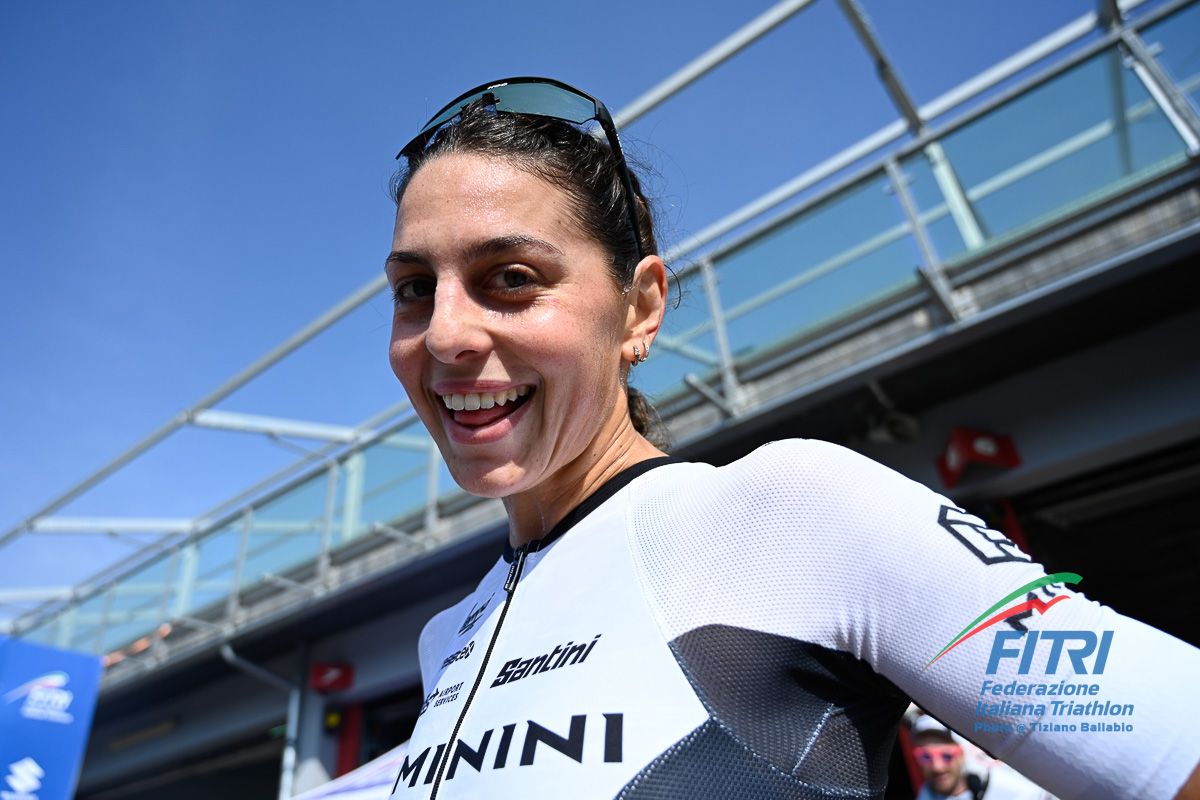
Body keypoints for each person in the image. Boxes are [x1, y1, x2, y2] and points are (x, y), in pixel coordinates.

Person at [383, 77, 1200, 799]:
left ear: (641, 309)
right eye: (416, 288)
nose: (444, 334)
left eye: (511, 278)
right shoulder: (445, 638)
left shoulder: (793, 514)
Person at [909, 714, 1054, 800]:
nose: (937, 766)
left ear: (962, 754)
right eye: (925, 756)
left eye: (946, 755)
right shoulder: (923, 795)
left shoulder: (1007, 788)